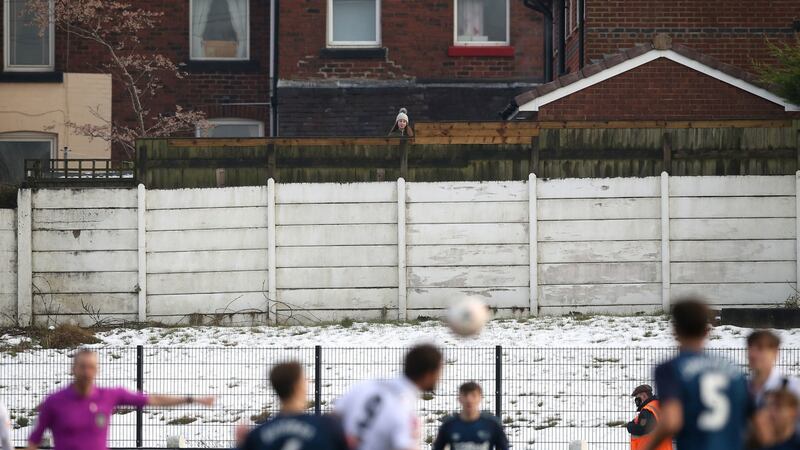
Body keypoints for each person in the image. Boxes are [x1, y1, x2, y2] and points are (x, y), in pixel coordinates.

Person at [27, 348, 214, 450]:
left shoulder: (109, 396)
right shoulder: (54, 401)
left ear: (97, 370)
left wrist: (192, 399)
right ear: (73, 369)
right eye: (82, 366)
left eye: (91, 367)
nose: (86, 372)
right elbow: (34, 441)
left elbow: (154, 399)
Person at [644, 298, 751, 450]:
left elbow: (671, 420)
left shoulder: (671, 369)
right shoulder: (734, 371)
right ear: (707, 331)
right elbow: (755, 423)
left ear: (675, 331)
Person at [335, 344, 443, 450]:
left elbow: (331, 419)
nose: (440, 378)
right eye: (439, 372)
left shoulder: (367, 385)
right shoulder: (406, 413)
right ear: (429, 374)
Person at [239, 361, 348, 450]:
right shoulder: (326, 428)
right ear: (298, 386)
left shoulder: (257, 436)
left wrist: (241, 444)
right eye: (304, 379)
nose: (308, 382)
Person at [432, 381, 509, 450]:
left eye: (473, 395)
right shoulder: (449, 425)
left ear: (480, 398)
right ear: (459, 398)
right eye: (465, 395)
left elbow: (504, 447)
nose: (469, 399)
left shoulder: (492, 424)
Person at [748, 330, 800, 409]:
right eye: (750, 348)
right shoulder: (740, 388)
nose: (753, 354)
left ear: (775, 353)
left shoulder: (793, 388)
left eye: (760, 348)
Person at [627, 384, 671, 450]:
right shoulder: (659, 406)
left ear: (644, 396)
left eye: (637, 397)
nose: (636, 401)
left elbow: (643, 428)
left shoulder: (647, 410)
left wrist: (630, 426)